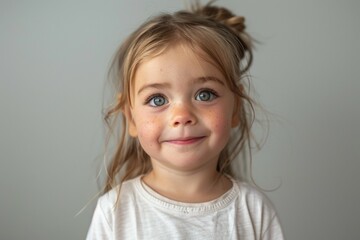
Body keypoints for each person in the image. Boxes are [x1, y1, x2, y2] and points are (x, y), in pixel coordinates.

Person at [87, 2, 284, 239]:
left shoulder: (254, 211)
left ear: (235, 109)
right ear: (131, 119)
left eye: (205, 94)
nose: (182, 116)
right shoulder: (115, 212)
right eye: (157, 99)